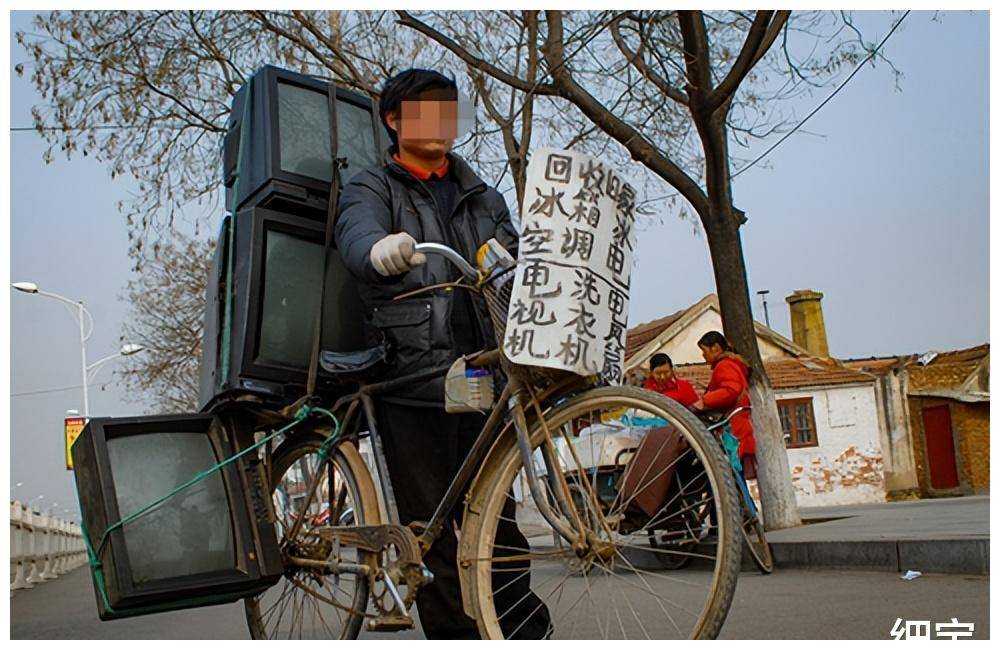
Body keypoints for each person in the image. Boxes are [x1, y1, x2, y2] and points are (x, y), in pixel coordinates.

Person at [334, 69, 550, 639]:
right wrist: (378, 248)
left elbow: (518, 258)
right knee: (433, 530)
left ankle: (523, 631)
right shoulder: (372, 187)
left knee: (499, 523)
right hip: (414, 374)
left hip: (482, 369)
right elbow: (355, 233)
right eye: (424, 110)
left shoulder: (484, 195)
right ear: (394, 120)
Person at [692, 331, 756, 475]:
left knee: (732, 479)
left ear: (715, 347)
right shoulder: (735, 364)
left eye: (704, 350)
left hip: (732, 430)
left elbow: (731, 390)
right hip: (739, 427)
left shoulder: (724, 365)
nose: (703, 355)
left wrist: (705, 401)